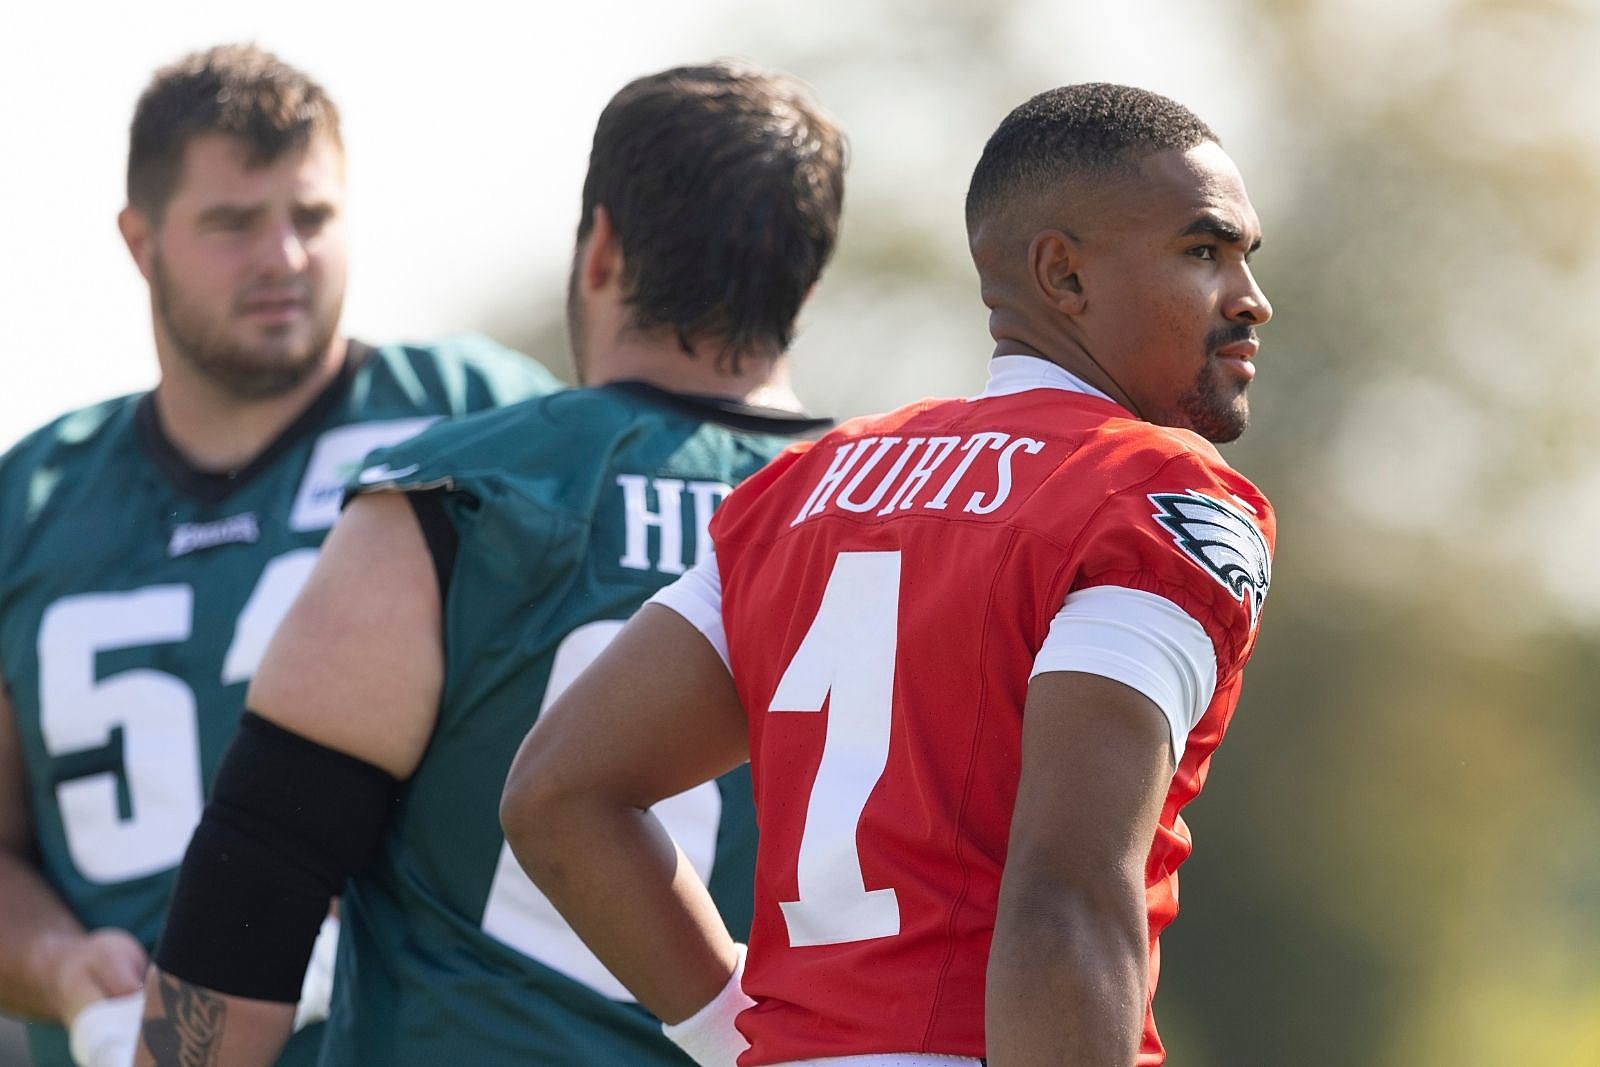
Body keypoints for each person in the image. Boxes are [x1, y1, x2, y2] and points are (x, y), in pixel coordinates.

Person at [500, 82, 1277, 1067]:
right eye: (1203, 251)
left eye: (1246, 255)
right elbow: (1063, 895)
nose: (1250, 297)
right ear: (1062, 275)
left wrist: (726, 1029)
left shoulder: (806, 485)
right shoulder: (1151, 490)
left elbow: (558, 791)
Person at [132, 61, 846, 1067]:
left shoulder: (457, 498)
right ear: (806, 285)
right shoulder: (910, 517)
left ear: (600, 249)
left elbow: (255, 879)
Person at [0, 43, 558, 1067]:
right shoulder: (29, 497)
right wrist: (59, 959)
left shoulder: (479, 418)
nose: (284, 259)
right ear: (140, 242)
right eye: (232, 224)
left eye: (311, 218)